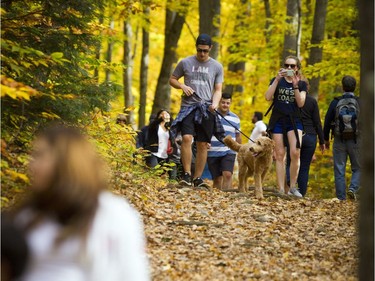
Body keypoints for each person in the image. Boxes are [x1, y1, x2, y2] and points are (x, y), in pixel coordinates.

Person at [12, 125, 149, 281]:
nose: (32, 165)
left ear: (66, 162)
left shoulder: (112, 213)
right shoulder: (27, 214)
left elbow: (132, 274)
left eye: (40, 156)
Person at [169, 34, 224, 189]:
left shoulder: (217, 66)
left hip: (206, 108)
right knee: (186, 138)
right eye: (199, 50)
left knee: (203, 144)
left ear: (210, 49)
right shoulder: (185, 62)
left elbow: (218, 89)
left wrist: (215, 103)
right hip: (188, 107)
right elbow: (172, 79)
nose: (202, 54)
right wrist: (182, 86)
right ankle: (186, 174)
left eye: (205, 51)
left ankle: (197, 178)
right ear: (196, 47)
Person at [265, 55, 307, 197]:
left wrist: (295, 85)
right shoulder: (277, 80)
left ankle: (293, 187)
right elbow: (267, 97)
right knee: (279, 155)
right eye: (286, 65)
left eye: (292, 66)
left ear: (297, 68)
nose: (289, 68)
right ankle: (281, 189)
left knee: (295, 153)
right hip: (278, 120)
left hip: (294, 121)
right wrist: (276, 80)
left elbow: (301, 103)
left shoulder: (301, 84)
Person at [323, 75, 360, 200]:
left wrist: (325, 139)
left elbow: (327, 121)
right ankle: (353, 188)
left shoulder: (335, 102)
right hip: (357, 140)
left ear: (342, 87)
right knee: (359, 168)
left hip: (339, 139)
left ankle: (341, 198)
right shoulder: (360, 102)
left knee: (339, 169)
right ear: (354, 87)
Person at [286, 92, 325, 197]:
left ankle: (290, 184)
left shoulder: (290, 99)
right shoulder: (312, 101)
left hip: (294, 134)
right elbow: (317, 122)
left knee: (290, 162)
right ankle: (301, 194)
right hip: (310, 136)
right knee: (304, 167)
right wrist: (322, 141)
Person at [207, 93, 241, 190]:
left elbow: (238, 136)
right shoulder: (211, 115)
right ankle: (218, 200)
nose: (225, 105)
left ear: (230, 104)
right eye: (223, 102)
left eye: (227, 103)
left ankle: (228, 198)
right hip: (212, 151)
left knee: (227, 174)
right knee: (217, 179)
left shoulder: (235, 118)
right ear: (219, 102)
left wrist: (240, 150)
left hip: (229, 151)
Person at [145, 109, 177, 180]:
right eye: (162, 114)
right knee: (155, 172)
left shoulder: (169, 128)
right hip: (154, 152)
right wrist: (161, 119)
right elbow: (152, 124)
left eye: (166, 114)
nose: (164, 116)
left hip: (165, 155)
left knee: (166, 174)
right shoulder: (155, 126)